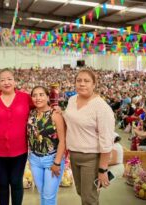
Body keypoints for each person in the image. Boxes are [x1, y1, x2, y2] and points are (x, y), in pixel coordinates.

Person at [63, 69, 115, 205]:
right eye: (79, 80)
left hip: (91, 158)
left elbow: (106, 140)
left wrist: (102, 169)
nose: (82, 84)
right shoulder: (72, 99)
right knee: (81, 192)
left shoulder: (101, 107)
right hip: (74, 155)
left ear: (94, 84)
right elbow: (71, 120)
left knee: (89, 198)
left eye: (86, 81)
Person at [0, 68, 32, 205]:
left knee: (16, 182)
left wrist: (54, 109)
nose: (6, 82)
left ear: (15, 81)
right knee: (2, 183)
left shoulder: (25, 98)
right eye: (2, 80)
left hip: (20, 150)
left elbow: (40, 110)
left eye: (9, 79)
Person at [27, 86, 66, 205]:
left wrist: (57, 162)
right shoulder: (31, 113)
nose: (38, 98)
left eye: (41, 94)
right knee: (42, 192)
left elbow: (63, 141)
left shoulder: (55, 114)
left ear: (48, 97)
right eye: (34, 95)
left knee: (49, 195)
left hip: (52, 159)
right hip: (34, 159)